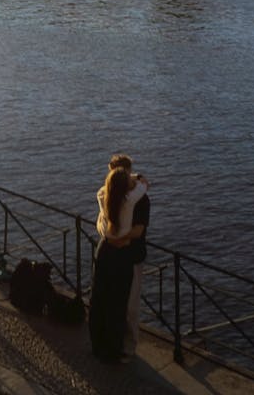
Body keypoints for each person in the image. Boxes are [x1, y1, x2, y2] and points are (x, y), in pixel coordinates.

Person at [88, 165, 148, 363]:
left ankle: (98, 343)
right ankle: (118, 348)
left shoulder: (104, 197)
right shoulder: (130, 202)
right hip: (122, 257)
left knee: (100, 300)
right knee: (118, 304)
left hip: (104, 252)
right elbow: (143, 187)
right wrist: (137, 178)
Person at [107, 153, 150, 357]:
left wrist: (117, 238)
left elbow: (139, 230)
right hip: (122, 253)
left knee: (130, 304)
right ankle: (120, 342)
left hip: (129, 254)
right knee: (121, 301)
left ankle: (128, 346)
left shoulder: (138, 199)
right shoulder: (116, 194)